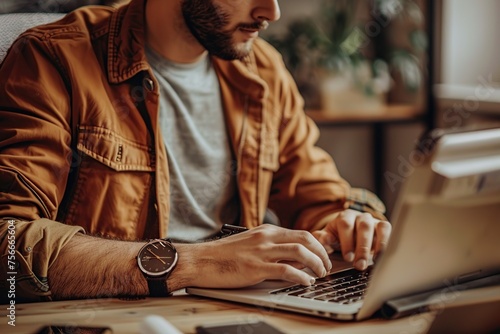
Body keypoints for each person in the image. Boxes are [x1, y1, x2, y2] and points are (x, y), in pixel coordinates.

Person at [0, 0, 391, 303]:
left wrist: (349, 222)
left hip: (232, 312)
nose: (271, 11)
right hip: (110, 318)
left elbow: (316, 193)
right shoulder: (53, 59)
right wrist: (196, 263)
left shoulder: (264, 71)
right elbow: (9, 242)